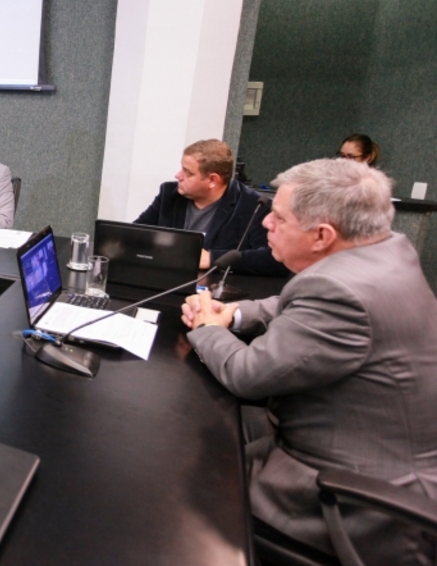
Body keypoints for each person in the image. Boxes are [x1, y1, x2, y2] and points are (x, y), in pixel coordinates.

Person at [181, 158, 437, 566]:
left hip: (354, 497)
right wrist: (237, 313)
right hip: (374, 446)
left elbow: (246, 375)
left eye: (279, 218)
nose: (266, 224)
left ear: (322, 235)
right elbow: (294, 301)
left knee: (178, 481)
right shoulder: (387, 250)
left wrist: (209, 326)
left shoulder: (337, 290)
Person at [135, 139, 287, 276]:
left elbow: (273, 258)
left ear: (213, 180)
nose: (178, 175)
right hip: (167, 279)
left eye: (188, 172)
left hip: (219, 291)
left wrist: (212, 258)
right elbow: (136, 234)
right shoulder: (170, 194)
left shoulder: (255, 206)